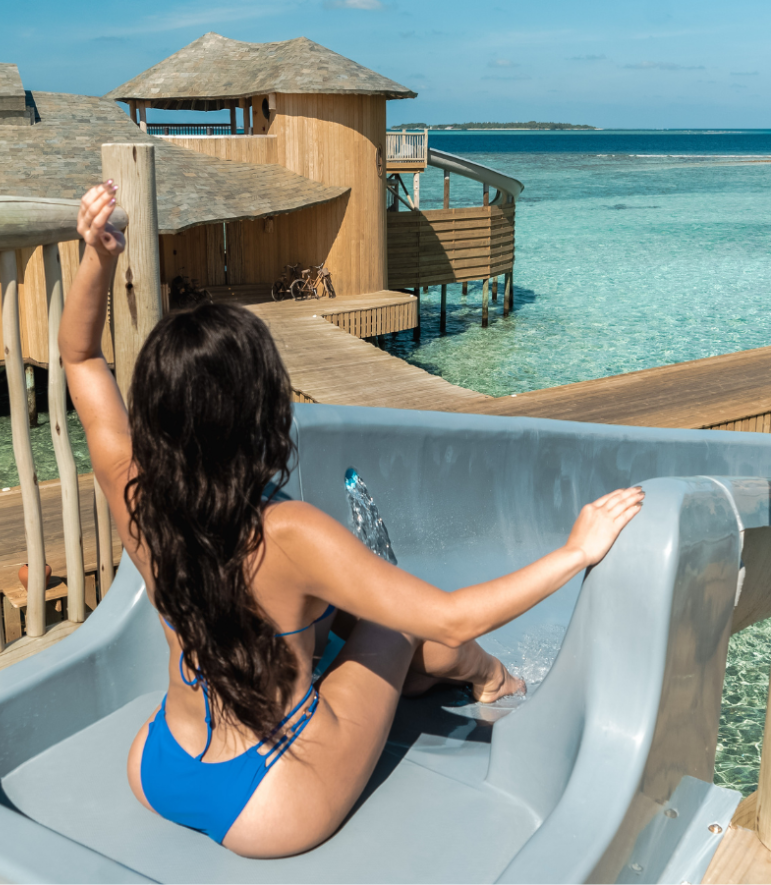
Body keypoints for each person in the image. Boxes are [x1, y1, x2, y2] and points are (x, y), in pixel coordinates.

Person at [59, 181, 645, 860]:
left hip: (160, 763)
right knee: (394, 618)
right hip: (268, 800)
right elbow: (448, 616)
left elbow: (79, 356)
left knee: (339, 618)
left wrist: (96, 258)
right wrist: (575, 551)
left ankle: (450, 675)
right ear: (263, 416)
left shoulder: (138, 493)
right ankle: (493, 680)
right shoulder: (290, 532)